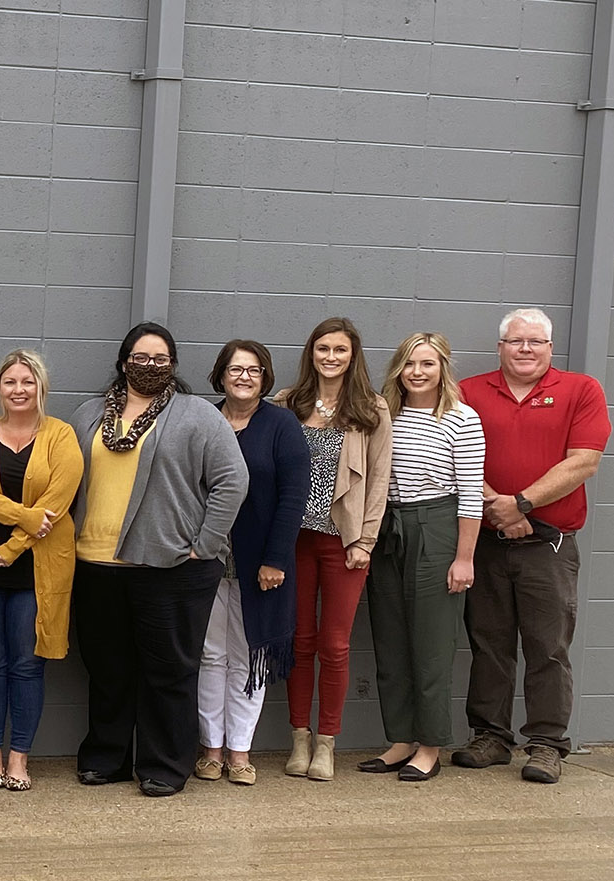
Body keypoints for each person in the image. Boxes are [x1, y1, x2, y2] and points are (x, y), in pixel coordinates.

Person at [68, 322, 248, 797]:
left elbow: (233, 480)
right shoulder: (88, 415)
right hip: (95, 564)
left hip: (172, 568)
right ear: (124, 359)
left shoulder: (197, 416)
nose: (150, 366)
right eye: (141, 357)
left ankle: (165, 765)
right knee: (107, 669)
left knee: (168, 672)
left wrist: (205, 544)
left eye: (160, 358)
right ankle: (106, 759)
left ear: (173, 364)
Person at [454, 307, 611, 785]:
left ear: (549, 347)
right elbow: (453, 454)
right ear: (499, 347)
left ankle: (546, 745)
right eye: (516, 341)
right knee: (489, 645)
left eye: (536, 342)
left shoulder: (581, 390)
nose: (526, 349)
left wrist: (521, 504)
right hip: (484, 541)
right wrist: (497, 507)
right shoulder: (468, 392)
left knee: (548, 648)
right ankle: (491, 737)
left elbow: (584, 462)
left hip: (548, 545)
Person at [0, 349, 81, 793]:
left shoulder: (61, 436)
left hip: (36, 569)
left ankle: (20, 760)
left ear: (41, 387)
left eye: (28, 382)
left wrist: (14, 545)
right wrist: (22, 519)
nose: (19, 390)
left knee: (27, 664)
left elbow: (58, 501)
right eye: (10, 382)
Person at [362, 331, 485, 782]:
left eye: (427, 364)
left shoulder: (461, 419)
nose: (417, 372)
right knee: (390, 639)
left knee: (432, 645)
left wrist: (464, 558)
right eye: (410, 364)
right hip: (388, 531)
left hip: (436, 529)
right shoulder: (383, 414)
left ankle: (430, 746)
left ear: (443, 369)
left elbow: (472, 495)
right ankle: (400, 740)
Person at [278, 318, 391, 781]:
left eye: (340, 349)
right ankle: (299, 739)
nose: (331, 356)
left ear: (352, 355)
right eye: (323, 348)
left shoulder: (370, 408)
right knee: (299, 642)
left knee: (336, 645)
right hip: (294, 540)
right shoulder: (288, 403)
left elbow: (380, 477)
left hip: (342, 542)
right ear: (312, 353)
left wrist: (365, 539)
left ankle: (327, 743)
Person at [194, 341, 308, 784]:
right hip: (203, 559)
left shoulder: (281, 425)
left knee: (248, 657)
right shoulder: (203, 419)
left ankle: (240, 753)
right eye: (236, 369)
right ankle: (210, 750)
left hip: (259, 564)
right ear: (221, 374)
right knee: (208, 656)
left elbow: (294, 496)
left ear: (265, 377)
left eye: (254, 370)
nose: (244, 377)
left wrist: (276, 558)